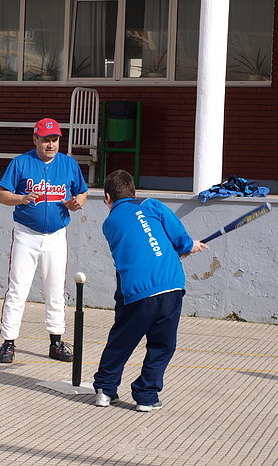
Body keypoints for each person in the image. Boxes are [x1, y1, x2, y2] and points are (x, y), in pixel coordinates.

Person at [93, 170, 209, 411]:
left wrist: (181, 248)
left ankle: (105, 390)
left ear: (107, 197)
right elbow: (178, 236)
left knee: (121, 341)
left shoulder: (110, 223)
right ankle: (146, 395)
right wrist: (189, 246)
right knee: (162, 344)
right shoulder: (151, 204)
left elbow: (137, 245)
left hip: (136, 291)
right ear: (134, 192)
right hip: (170, 286)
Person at [0, 118, 88, 363]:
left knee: (56, 290)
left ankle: (56, 342)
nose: (50, 144)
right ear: (35, 139)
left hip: (56, 236)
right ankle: (8, 342)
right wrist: (21, 199)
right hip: (26, 234)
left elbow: (82, 191)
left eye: (54, 139)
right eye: (45, 139)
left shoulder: (68, 164)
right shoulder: (21, 163)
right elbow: (0, 195)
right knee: (18, 289)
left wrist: (77, 202)